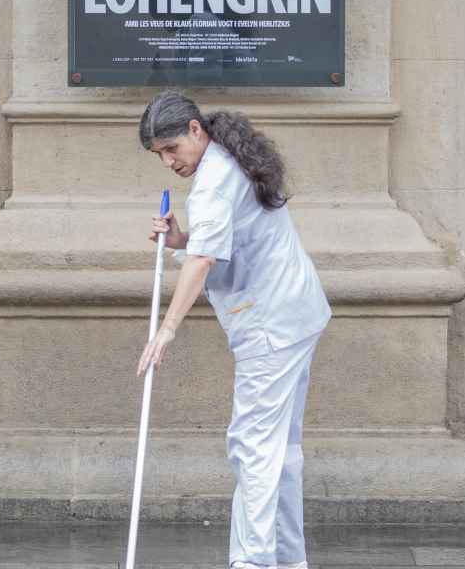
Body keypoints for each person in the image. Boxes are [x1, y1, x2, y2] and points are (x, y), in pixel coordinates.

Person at [135, 89, 331, 569]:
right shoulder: (227, 157)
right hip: (296, 314)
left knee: (253, 448)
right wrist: (181, 238)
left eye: (171, 149)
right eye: (159, 154)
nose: (167, 162)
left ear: (195, 131)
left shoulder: (214, 181)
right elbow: (222, 241)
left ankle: (254, 562)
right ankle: (286, 561)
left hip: (271, 326)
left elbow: (203, 261)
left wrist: (166, 330)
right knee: (279, 451)